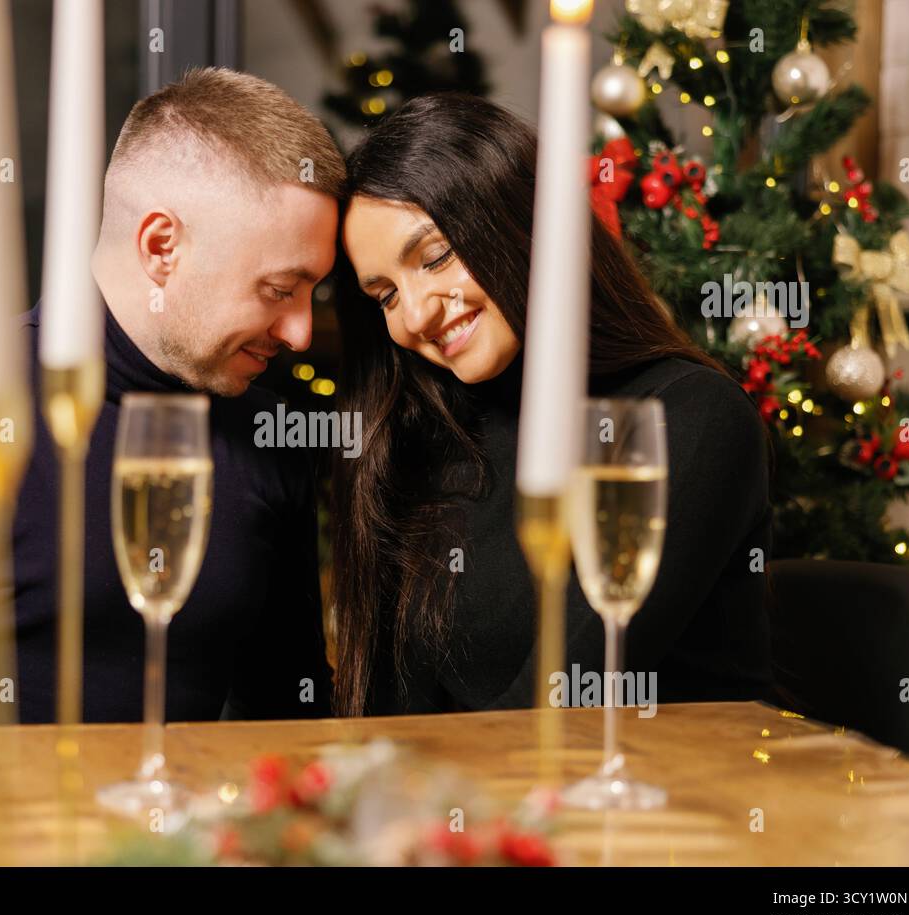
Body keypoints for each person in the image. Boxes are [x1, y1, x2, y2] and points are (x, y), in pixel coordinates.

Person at [0, 68, 341, 730]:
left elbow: (287, 716)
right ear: (162, 247)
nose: (302, 333)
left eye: (314, 294)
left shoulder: (265, 438)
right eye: (279, 289)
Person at [331, 93, 774, 717]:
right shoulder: (428, 436)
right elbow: (396, 719)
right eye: (384, 296)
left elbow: (562, 704)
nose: (416, 314)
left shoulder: (686, 415)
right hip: (480, 806)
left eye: (435, 257)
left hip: (674, 799)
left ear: (521, 223)